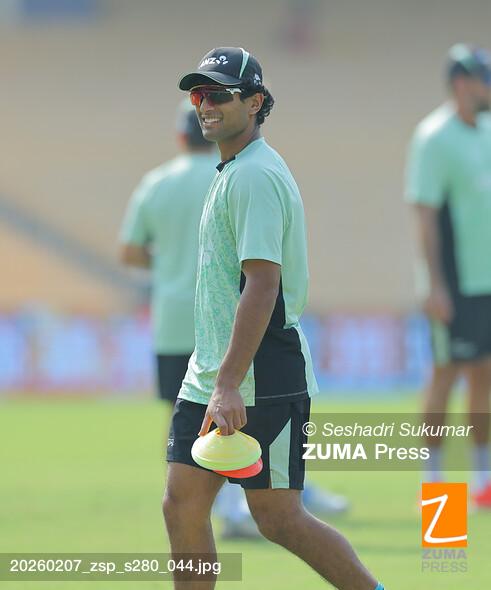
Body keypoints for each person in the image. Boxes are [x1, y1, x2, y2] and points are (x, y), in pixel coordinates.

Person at [164, 46, 384, 590]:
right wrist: (217, 379)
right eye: (199, 95)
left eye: (219, 94)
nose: (206, 105)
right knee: (182, 505)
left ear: (255, 102)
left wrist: (229, 384)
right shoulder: (235, 169)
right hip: (214, 373)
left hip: (259, 375)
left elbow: (263, 285)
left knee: (279, 518)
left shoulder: (255, 176)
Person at [120, 102, 260, 537]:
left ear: (180, 137)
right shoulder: (229, 175)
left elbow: (130, 251)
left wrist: (167, 264)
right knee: (234, 408)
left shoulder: (157, 183)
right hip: (222, 316)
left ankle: (188, 502)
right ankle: (237, 505)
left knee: (182, 415)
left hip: (173, 318)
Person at [405, 43, 491, 508]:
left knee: (485, 376)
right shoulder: (434, 137)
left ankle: (483, 479)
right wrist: (435, 284)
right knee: (445, 374)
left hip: (487, 282)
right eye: (484, 80)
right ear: (462, 84)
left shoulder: (487, 131)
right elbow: (425, 214)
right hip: (453, 285)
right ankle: (436, 485)